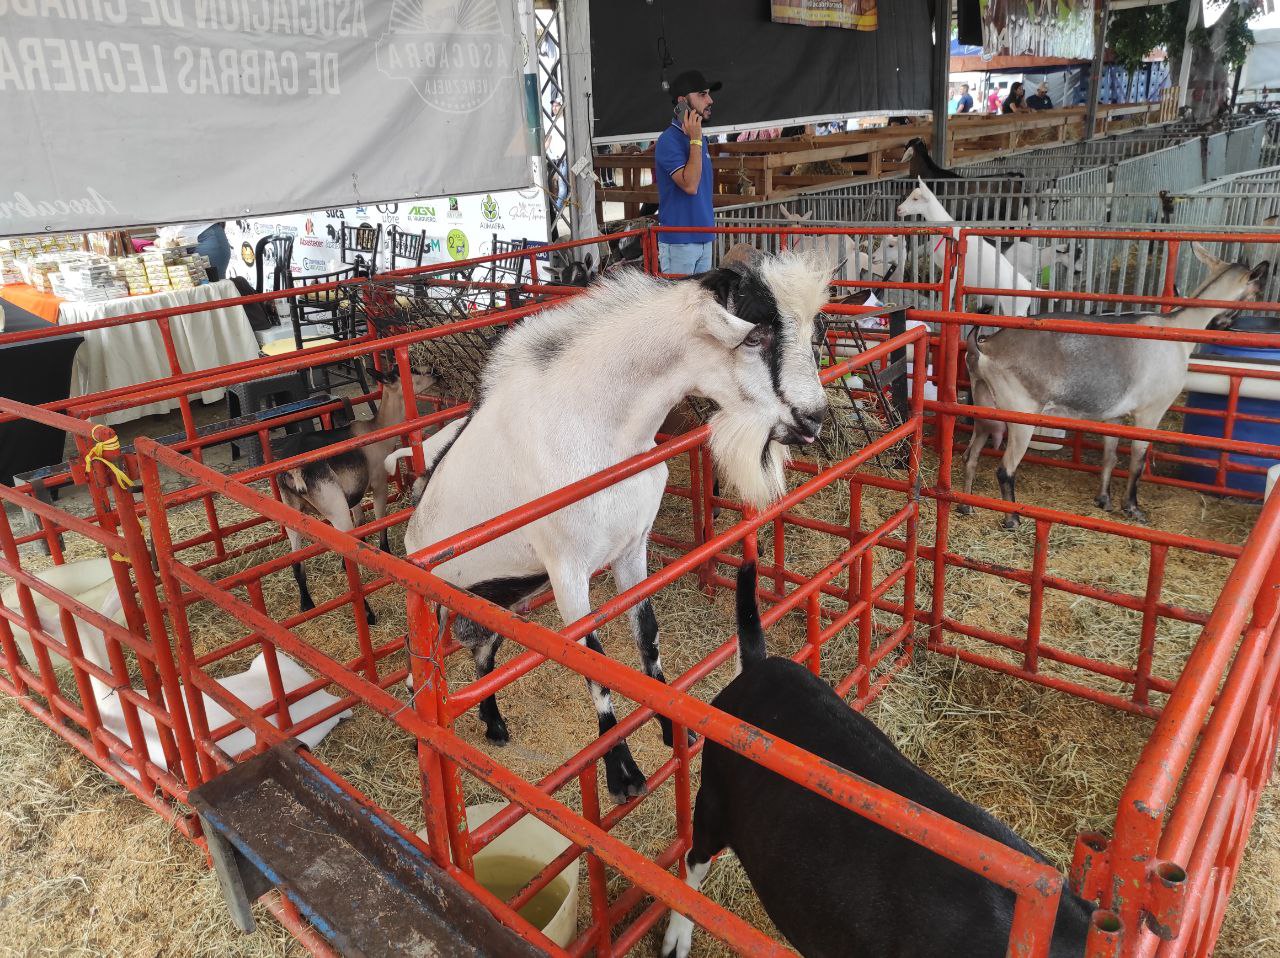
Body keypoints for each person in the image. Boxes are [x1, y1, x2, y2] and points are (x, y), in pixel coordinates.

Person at [654, 69, 720, 275]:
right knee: (678, 307)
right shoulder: (668, 140)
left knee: (700, 306)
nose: (710, 100)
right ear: (682, 101)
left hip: (705, 237)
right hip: (679, 241)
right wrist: (695, 140)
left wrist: (696, 139)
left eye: (709, 94)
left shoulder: (700, 140)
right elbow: (690, 185)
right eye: (702, 94)